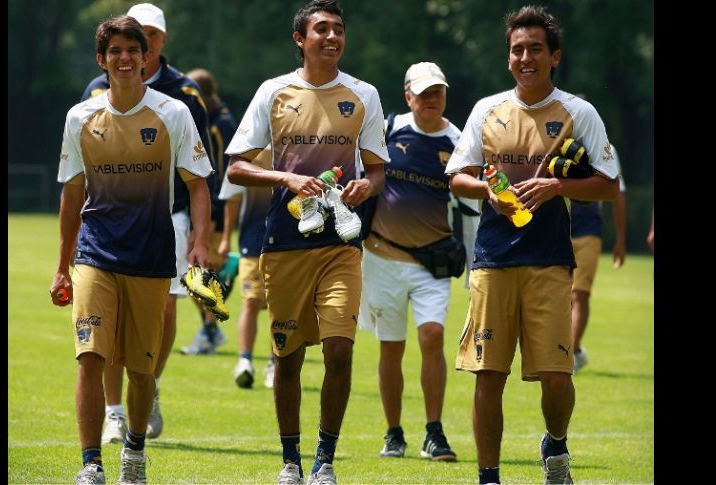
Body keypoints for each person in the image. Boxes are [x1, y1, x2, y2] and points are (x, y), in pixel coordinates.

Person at [444, 6, 620, 484]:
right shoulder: (487, 110)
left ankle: (555, 443)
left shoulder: (578, 112)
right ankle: (489, 478)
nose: (526, 58)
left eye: (535, 49)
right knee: (489, 375)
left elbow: (608, 184)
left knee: (557, 378)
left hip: (550, 259)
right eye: (517, 50)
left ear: (554, 57)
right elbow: (457, 176)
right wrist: (489, 191)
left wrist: (557, 186)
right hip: (493, 259)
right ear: (508, 58)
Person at [226, 1, 388, 483]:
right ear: (301, 39)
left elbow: (378, 171)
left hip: (342, 242)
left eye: (339, 29)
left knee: (339, 350)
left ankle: (325, 461)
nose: (333, 36)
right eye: (322, 29)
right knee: (288, 356)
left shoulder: (364, 94)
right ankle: (291, 461)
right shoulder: (273, 92)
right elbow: (236, 167)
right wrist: (286, 178)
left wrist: (366, 187)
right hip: (284, 243)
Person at [50, 15, 212, 485]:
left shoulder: (173, 113)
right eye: (115, 51)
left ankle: (135, 454)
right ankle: (91, 464)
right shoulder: (80, 117)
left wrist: (201, 242)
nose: (124, 58)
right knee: (91, 356)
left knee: (142, 371)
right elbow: (72, 194)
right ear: (101, 60)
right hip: (94, 254)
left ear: (146, 58)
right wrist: (62, 267)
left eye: (132, 51)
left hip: (152, 256)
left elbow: (198, 185)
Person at [357, 62, 459, 462]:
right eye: (424, 92)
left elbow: (469, 207)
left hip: (432, 262)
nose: (432, 99)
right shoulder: (388, 130)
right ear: (408, 96)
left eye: (438, 92)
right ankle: (394, 432)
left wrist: (472, 260)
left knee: (432, 336)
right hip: (382, 258)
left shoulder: (458, 140)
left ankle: (434, 432)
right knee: (391, 347)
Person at [180, 67, 241, 355]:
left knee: (199, 273)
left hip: (214, 212)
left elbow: (223, 176)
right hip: (206, 211)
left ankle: (209, 331)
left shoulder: (221, 126)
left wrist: (214, 219)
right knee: (192, 274)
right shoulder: (212, 120)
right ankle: (211, 329)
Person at [217, 147, 276, 388]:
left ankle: (275, 363)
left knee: (279, 306)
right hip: (252, 240)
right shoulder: (246, 151)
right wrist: (225, 239)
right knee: (251, 301)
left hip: (286, 242)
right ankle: (245, 361)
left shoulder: (296, 146)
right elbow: (233, 197)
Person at [570, 140, 627, 372]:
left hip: (588, 230)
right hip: (557, 230)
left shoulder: (606, 149)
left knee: (580, 294)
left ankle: (570, 356)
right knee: (561, 298)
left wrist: (621, 239)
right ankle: (573, 351)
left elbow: (618, 194)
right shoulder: (553, 143)